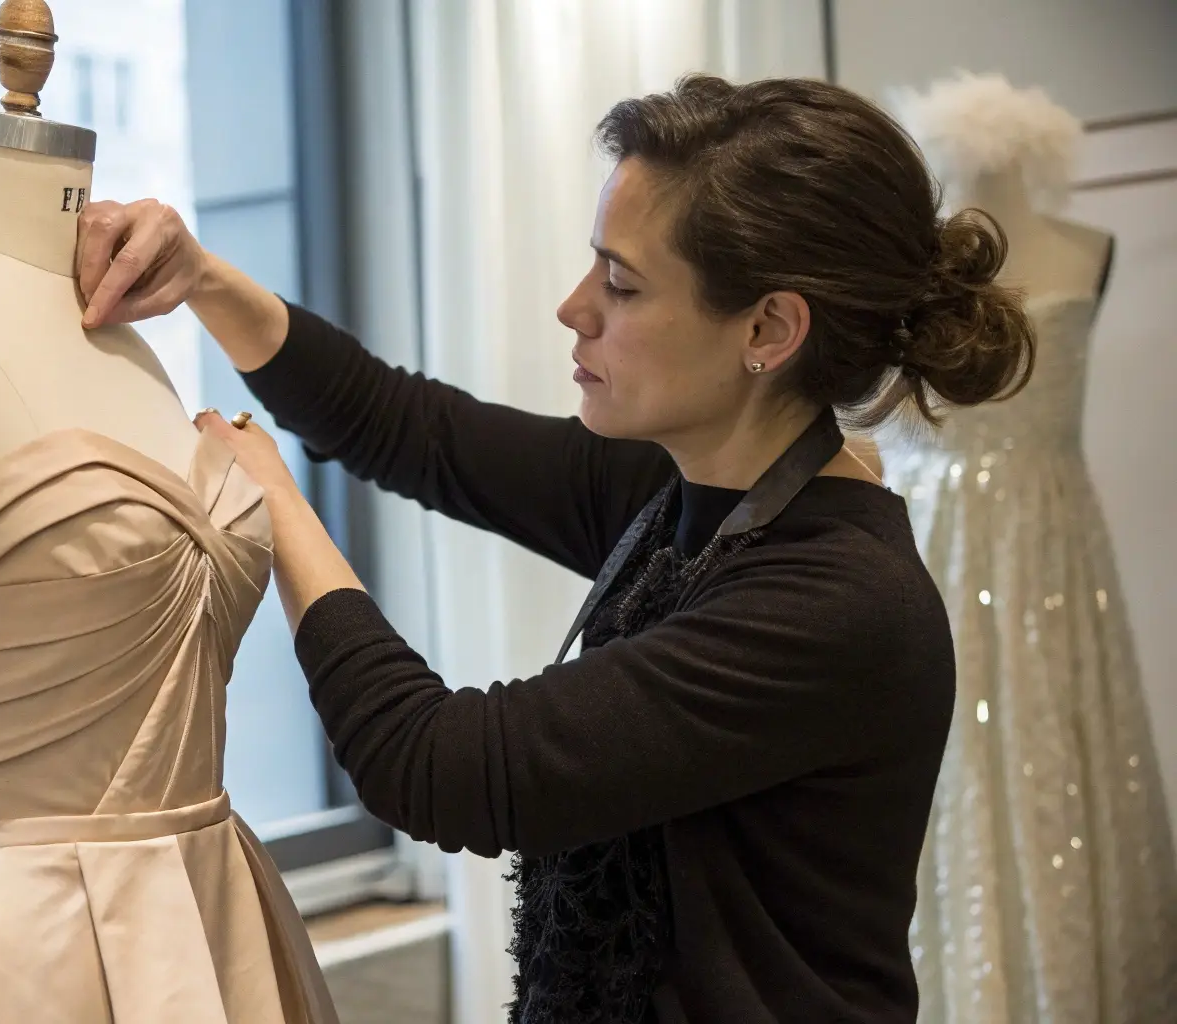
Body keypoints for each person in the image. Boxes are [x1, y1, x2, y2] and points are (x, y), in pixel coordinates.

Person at [75, 74, 1035, 1024]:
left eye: (621, 284)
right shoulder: (677, 484)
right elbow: (410, 429)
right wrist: (201, 278)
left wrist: (272, 502)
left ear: (768, 328)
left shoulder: (835, 604)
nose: (575, 307)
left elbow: (438, 767)